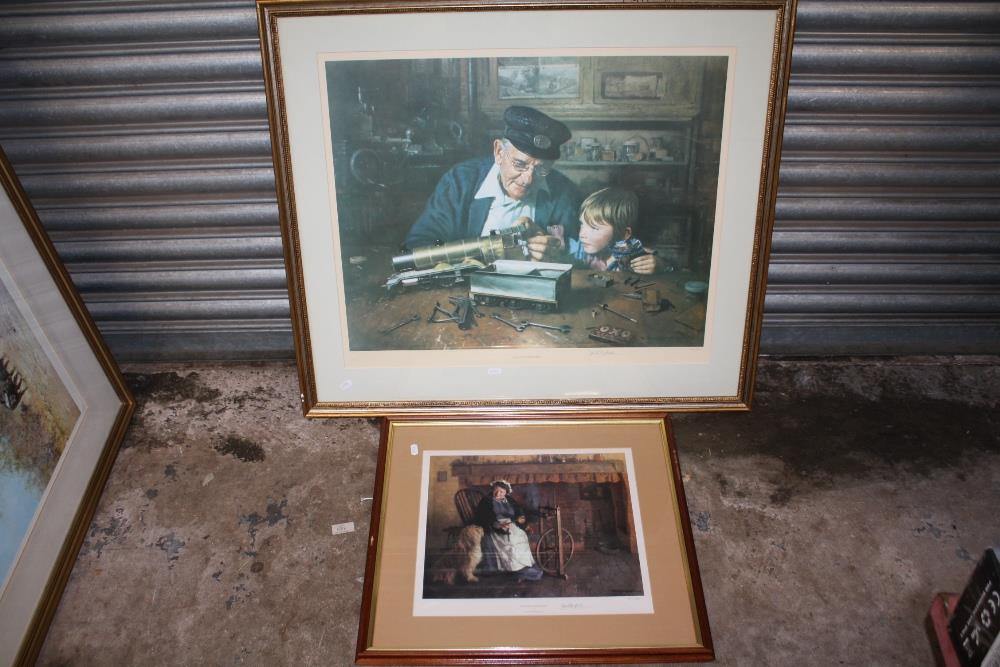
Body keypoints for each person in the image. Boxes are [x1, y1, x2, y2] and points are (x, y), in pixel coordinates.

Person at [404, 106, 581, 262]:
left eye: (541, 169)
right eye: (520, 164)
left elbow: (584, 254)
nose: (528, 179)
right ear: (498, 152)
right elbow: (418, 245)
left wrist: (555, 254)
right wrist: (483, 255)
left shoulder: (564, 191)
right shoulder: (460, 181)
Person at [566, 187, 662, 274]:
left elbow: (665, 264)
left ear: (625, 233)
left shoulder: (635, 253)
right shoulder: (581, 249)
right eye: (582, 224)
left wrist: (660, 264)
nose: (582, 234)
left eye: (594, 228)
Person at [472, 480, 543, 581]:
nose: (498, 494)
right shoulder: (486, 501)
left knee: (521, 535)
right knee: (511, 540)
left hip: (511, 524)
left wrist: (521, 517)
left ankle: (521, 568)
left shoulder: (509, 500)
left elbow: (518, 511)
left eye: (501, 492)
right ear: (492, 490)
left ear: (506, 492)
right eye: (496, 491)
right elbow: (484, 517)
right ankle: (514, 569)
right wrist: (498, 525)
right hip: (495, 526)